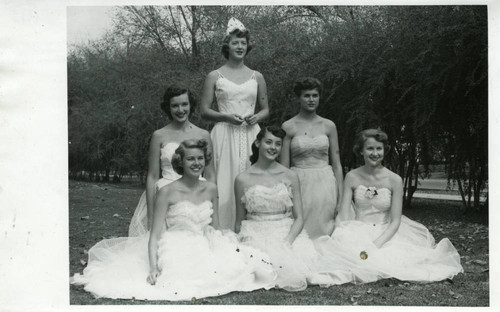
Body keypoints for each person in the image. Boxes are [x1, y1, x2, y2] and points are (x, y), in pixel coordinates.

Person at [72, 139, 276, 300]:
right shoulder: (167, 191)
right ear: (180, 162)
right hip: (176, 245)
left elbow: (215, 226)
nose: (196, 163)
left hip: (206, 242)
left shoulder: (211, 188)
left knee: (243, 271)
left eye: (200, 158)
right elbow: (154, 235)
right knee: (178, 281)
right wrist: (153, 266)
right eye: (190, 159)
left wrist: (227, 244)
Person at [315, 129, 463, 283]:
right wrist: (340, 235)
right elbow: (344, 214)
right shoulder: (352, 177)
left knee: (387, 262)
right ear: (361, 151)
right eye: (370, 148)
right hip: (357, 230)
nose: (375, 153)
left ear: (385, 150)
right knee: (341, 260)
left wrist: (374, 245)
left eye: (379, 148)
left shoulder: (395, 180)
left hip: (386, 233)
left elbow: (395, 222)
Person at [234, 126, 348, 291]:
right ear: (258, 143)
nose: (273, 147)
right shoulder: (242, 179)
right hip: (255, 233)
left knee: (298, 270)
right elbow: (239, 220)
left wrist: (287, 242)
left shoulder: (289, 175)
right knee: (258, 272)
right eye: (268, 142)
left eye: (278, 144)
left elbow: (299, 218)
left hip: (286, 232)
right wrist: (241, 246)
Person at [200, 17, 269, 231]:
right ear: (226, 46)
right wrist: (226, 117)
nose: (240, 47)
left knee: (252, 181)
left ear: (248, 46)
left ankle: (250, 230)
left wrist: (257, 117)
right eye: (235, 43)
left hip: (251, 134)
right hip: (224, 133)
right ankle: (221, 230)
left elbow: (266, 109)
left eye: (243, 43)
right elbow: (203, 110)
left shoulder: (257, 76)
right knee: (223, 181)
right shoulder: (215, 76)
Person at [128, 84, 215, 236]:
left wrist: (212, 206)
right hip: (166, 196)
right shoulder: (159, 135)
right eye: (175, 105)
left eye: (184, 104)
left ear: (191, 105)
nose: (180, 110)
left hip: (197, 196)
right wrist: (151, 213)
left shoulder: (203, 135)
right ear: (168, 108)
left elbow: (211, 175)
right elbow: (153, 176)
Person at [280, 77, 344, 239]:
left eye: (315, 95)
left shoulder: (329, 126)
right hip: (299, 182)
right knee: (303, 230)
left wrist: (341, 198)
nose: (311, 100)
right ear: (298, 98)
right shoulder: (288, 126)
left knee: (326, 228)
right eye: (306, 95)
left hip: (325, 182)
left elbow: (336, 164)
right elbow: (284, 167)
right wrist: (284, 193)